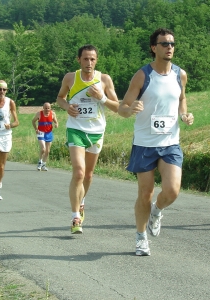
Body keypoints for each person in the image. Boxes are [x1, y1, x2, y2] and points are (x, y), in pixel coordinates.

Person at [118, 28, 194, 256]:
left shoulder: (180, 74)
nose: (169, 47)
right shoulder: (143, 75)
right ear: (154, 48)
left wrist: (184, 114)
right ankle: (141, 237)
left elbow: (182, 99)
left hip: (170, 141)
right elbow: (122, 107)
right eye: (164, 43)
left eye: (172, 43)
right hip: (144, 143)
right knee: (145, 193)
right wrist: (130, 109)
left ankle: (157, 211)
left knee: (172, 191)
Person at [56, 44, 120, 234]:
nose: (89, 62)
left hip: (96, 131)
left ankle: (81, 201)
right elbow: (60, 98)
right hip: (76, 129)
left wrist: (101, 97)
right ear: (79, 60)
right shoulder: (70, 78)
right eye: (85, 59)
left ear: (96, 60)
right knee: (79, 172)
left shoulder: (105, 79)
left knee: (89, 175)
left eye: (92, 59)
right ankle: (75, 217)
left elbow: (117, 107)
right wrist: (67, 107)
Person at [32, 102, 59, 171]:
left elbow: (56, 121)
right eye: (45, 108)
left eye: (48, 108)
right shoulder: (39, 114)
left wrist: (56, 124)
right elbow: (33, 121)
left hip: (49, 133)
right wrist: (36, 129)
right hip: (41, 132)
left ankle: (44, 164)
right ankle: (40, 162)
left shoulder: (53, 114)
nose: (47, 110)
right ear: (43, 108)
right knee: (43, 149)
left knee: (47, 151)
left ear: (50, 108)